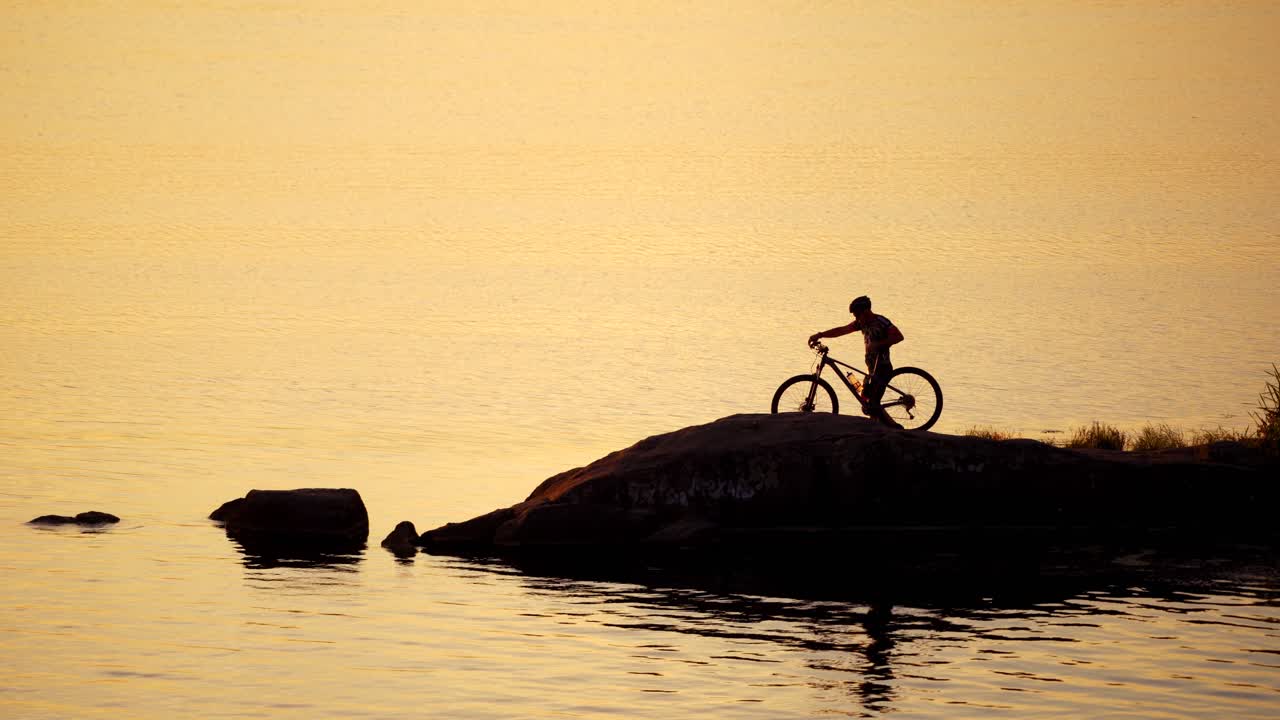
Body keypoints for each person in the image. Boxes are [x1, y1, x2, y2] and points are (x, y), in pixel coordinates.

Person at [808, 295, 905, 429]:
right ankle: (884, 427)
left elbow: (899, 336)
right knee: (866, 400)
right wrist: (820, 335)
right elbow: (841, 330)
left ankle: (894, 428)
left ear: (865, 312)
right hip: (871, 368)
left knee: (873, 403)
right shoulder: (861, 323)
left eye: (857, 315)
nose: (856, 318)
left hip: (882, 366)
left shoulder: (881, 321)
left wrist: (879, 344)